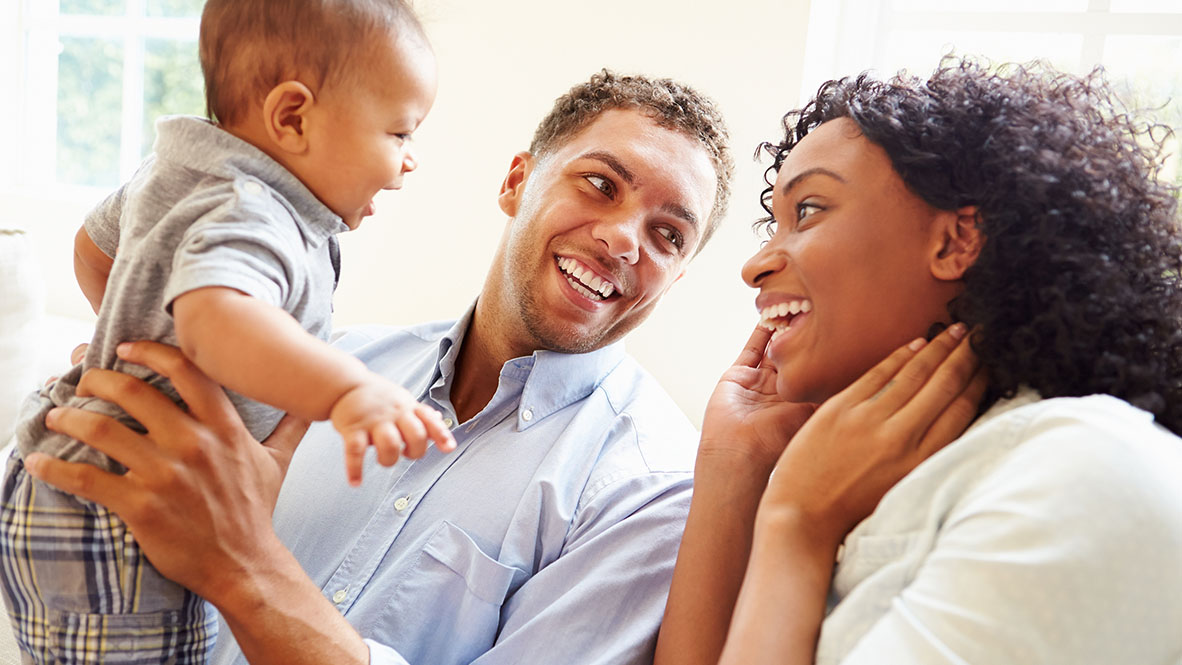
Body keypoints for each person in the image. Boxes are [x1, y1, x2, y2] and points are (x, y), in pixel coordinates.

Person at [18, 69, 737, 665]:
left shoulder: (652, 498)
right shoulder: (330, 359)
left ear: (676, 276)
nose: (622, 239)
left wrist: (241, 563)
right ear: (517, 181)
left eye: (668, 234)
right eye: (602, 185)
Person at [656, 58, 1182, 665]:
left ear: (956, 242)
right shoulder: (880, 485)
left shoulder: (1081, 474)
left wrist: (794, 529)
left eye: (808, 210)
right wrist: (734, 464)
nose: (755, 265)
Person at [0, 1, 449, 662]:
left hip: (78, 486)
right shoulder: (255, 211)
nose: (407, 163)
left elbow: (94, 249)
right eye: (399, 134)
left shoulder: (178, 172)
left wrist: (133, 332)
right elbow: (214, 320)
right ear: (292, 117)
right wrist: (348, 391)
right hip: (120, 508)